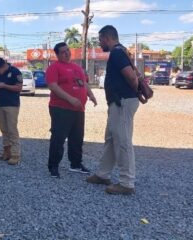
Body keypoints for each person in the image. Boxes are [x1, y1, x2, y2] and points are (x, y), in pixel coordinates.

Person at [86, 25, 139, 195]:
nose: (100, 43)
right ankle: (103, 174)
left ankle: (127, 183)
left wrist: (132, 90)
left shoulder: (116, 52)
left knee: (122, 141)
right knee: (111, 139)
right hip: (118, 103)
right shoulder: (121, 51)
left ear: (107, 38)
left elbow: (131, 76)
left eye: (100, 40)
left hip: (122, 102)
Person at [45, 42, 97, 178]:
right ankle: (53, 166)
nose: (67, 53)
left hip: (79, 109)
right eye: (63, 52)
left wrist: (91, 95)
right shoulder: (54, 67)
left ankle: (76, 164)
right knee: (59, 138)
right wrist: (70, 99)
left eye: (67, 50)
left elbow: (83, 83)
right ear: (57, 54)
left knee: (77, 138)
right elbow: (53, 86)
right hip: (60, 108)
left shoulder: (76, 67)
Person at [0, 57, 23, 165]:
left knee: (12, 130)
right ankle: (6, 152)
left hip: (12, 105)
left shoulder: (15, 72)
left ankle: (15, 154)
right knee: (4, 129)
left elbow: (19, 88)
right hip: (0, 104)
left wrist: (4, 85)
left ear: (4, 66)